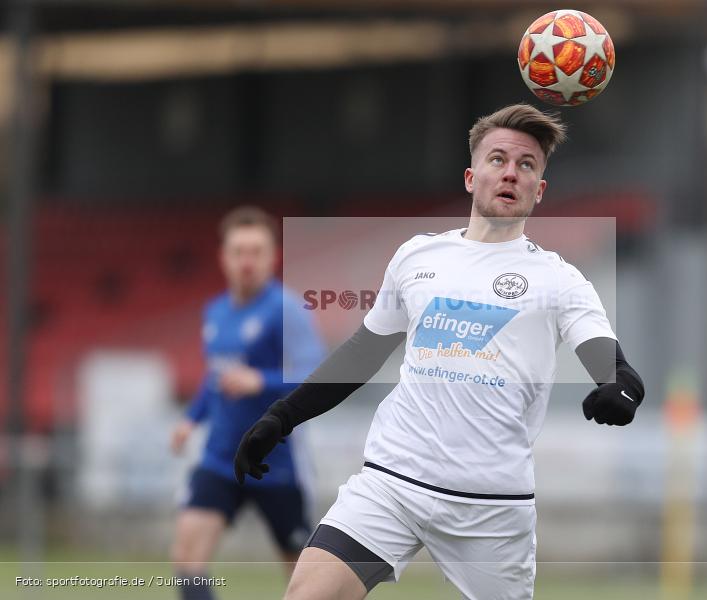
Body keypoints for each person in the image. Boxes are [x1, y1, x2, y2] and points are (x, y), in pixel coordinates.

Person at [234, 104, 645, 600]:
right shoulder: (416, 256)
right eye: (498, 159)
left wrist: (618, 387)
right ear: (472, 177)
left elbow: (610, 361)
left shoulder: (559, 280)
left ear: (540, 190)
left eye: (527, 165)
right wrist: (282, 417)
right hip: (392, 483)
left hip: (491, 508)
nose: (511, 172)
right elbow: (363, 352)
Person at [170, 206, 326, 600]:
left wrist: (261, 380)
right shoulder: (216, 312)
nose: (247, 260)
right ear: (223, 257)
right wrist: (192, 419)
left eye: (256, 251)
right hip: (219, 458)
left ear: (272, 256)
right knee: (187, 559)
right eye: (239, 251)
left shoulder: (287, 309)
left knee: (304, 583)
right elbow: (217, 376)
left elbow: (315, 371)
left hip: (277, 462)